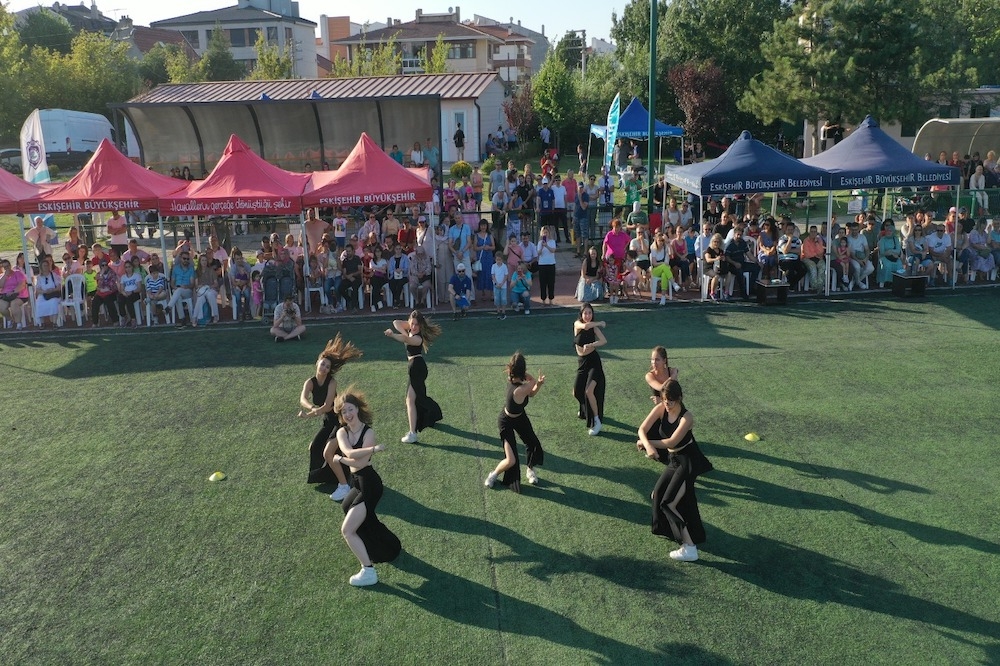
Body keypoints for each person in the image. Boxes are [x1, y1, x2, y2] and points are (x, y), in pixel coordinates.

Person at [637, 379, 713, 562]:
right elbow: (642, 429)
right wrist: (647, 444)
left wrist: (648, 444)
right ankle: (672, 530)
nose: (667, 404)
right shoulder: (661, 408)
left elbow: (671, 441)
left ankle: (690, 548)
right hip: (674, 460)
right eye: (664, 400)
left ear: (679, 398)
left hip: (688, 461)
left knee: (668, 503)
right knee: (657, 495)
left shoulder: (687, 418)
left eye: (671, 401)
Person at [330, 387, 400, 587]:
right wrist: (371, 450)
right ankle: (388, 546)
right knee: (347, 507)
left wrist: (340, 459)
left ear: (358, 409)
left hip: (370, 483)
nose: (348, 414)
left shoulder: (369, 432)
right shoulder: (342, 432)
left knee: (347, 530)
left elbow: (360, 463)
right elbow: (350, 454)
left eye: (350, 409)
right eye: (344, 411)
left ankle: (368, 571)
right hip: (357, 482)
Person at [300, 334, 362, 501]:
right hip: (328, 422)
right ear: (317, 363)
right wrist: (311, 408)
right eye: (323, 364)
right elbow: (303, 399)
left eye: (327, 367)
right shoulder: (310, 382)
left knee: (328, 452)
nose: (324, 368)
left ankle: (344, 486)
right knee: (314, 447)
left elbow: (328, 406)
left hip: (340, 421)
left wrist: (309, 414)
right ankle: (335, 477)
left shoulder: (332, 382)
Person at [485, 351, 546, 492]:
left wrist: (539, 384)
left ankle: (530, 469)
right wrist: (533, 380)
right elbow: (531, 382)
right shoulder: (519, 390)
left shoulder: (515, 381)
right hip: (506, 421)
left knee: (533, 444)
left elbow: (531, 393)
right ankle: (493, 475)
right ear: (523, 370)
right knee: (511, 460)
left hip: (519, 417)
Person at [384, 311, 443, 444]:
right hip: (414, 367)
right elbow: (396, 322)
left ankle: (412, 433)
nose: (414, 327)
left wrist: (393, 335)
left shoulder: (418, 338)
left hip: (417, 367)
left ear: (421, 325)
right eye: (412, 323)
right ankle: (433, 414)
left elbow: (406, 340)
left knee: (410, 400)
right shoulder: (410, 328)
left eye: (417, 324)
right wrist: (406, 330)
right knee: (417, 398)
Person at [573, 303, 607, 436]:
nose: (588, 316)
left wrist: (592, 344)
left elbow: (603, 341)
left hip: (593, 362)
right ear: (581, 314)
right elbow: (585, 326)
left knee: (589, 391)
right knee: (576, 392)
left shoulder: (594, 328)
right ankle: (585, 410)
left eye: (590, 313)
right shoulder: (577, 324)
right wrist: (600, 323)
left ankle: (597, 421)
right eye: (585, 313)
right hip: (582, 363)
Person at [473, 219, 495, 302]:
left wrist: (489, 247)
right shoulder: (476, 235)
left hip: (489, 257)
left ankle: (492, 293)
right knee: (481, 274)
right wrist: (482, 247)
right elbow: (474, 247)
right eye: (482, 225)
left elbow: (493, 247)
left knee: (490, 274)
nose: (483, 227)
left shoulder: (490, 235)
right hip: (481, 258)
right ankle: (483, 293)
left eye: (484, 225)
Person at [536, 225, 557, 306]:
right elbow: (538, 253)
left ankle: (551, 299)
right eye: (544, 233)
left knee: (551, 283)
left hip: (551, 264)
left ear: (549, 233)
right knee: (542, 283)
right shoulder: (539, 243)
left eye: (546, 232)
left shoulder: (552, 242)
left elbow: (553, 250)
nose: (545, 234)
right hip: (542, 265)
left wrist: (547, 246)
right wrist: (542, 246)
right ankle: (543, 299)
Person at [490, 250, 509, 320]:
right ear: (495, 259)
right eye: (497, 259)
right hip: (496, 286)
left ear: (502, 260)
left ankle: (503, 312)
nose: (498, 261)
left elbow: (506, 276)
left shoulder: (504, 266)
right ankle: (498, 311)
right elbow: (493, 275)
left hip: (503, 286)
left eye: (500, 260)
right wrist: (496, 283)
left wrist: (502, 283)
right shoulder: (493, 266)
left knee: (503, 299)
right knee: (497, 299)